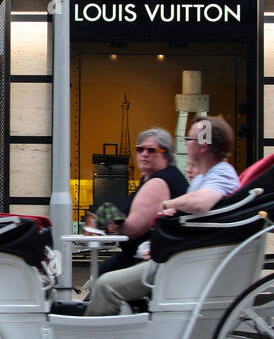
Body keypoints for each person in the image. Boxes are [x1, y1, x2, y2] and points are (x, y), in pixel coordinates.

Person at [86, 116, 240, 317]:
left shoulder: (220, 173)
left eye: (190, 139)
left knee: (106, 284)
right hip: (174, 255)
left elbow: (201, 203)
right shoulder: (204, 177)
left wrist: (169, 205)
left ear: (203, 144)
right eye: (140, 149)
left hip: (177, 260)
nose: (186, 144)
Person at [94, 128, 189, 274]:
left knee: (103, 277)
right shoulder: (153, 178)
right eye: (140, 149)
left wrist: (109, 225)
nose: (144, 154)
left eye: (152, 150)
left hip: (149, 263)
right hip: (152, 259)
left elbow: (132, 230)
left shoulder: (158, 182)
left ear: (166, 155)